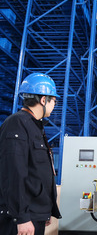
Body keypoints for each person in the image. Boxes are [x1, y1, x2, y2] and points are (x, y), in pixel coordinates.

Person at [0, 73, 62, 235]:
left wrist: (46, 210)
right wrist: (22, 217)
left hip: (35, 213)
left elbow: (37, 172)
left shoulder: (35, 126)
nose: (55, 104)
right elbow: (13, 173)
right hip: (20, 218)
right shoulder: (17, 123)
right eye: (54, 100)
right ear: (43, 100)